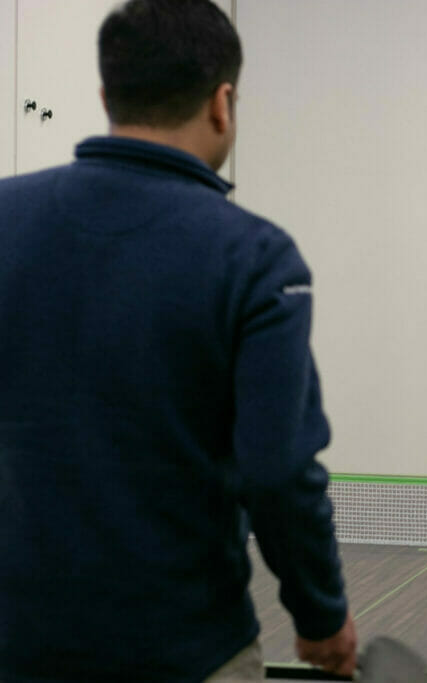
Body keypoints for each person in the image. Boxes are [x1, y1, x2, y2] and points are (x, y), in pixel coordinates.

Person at [0, 1, 356, 680]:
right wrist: (321, 617)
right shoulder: (255, 256)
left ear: (107, 95)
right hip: (185, 651)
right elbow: (277, 470)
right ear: (223, 103)